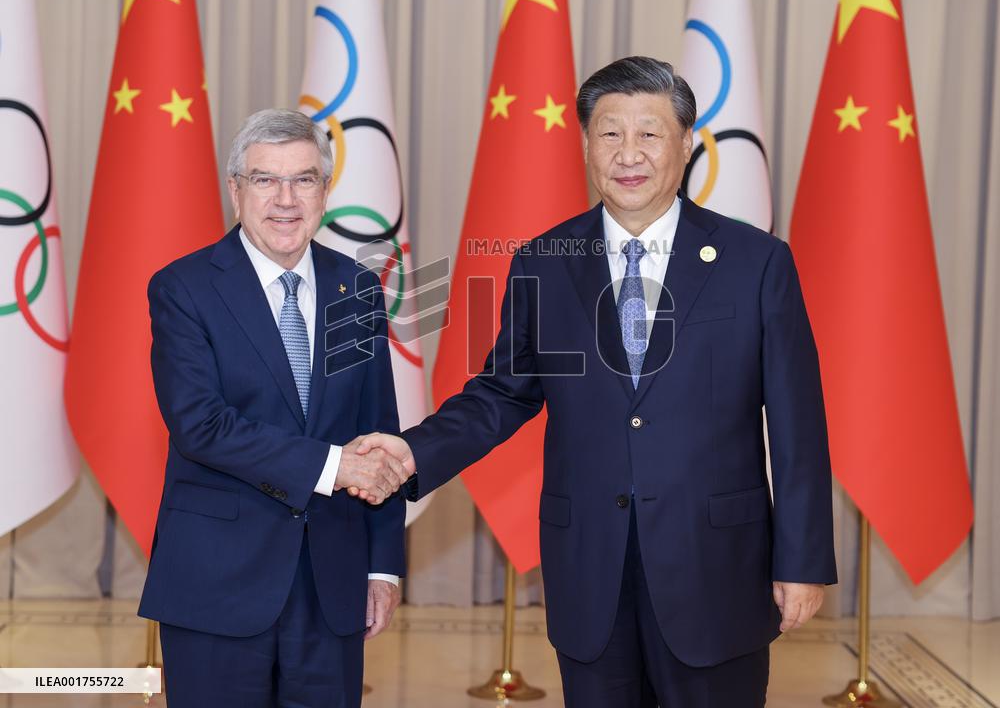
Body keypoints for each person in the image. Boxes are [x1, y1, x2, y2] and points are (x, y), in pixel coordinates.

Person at [351, 57, 837, 707]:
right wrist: (414, 451)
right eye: (609, 133)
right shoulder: (545, 264)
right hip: (590, 573)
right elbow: (502, 393)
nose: (628, 153)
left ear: (687, 144)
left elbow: (799, 425)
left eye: (649, 133)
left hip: (716, 566)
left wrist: (802, 561)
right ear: (585, 145)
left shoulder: (755, 262)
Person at [138, 109, 409, 707]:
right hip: (217, 584)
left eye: (304, 179)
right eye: (265, 180)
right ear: (235, 190)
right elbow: (200, 426)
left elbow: (379, 433)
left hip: (332, 584)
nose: (285, 199)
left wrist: (383, 566)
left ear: (325, 191)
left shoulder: (358, 288)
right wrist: (333, 467)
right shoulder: (183, 288)